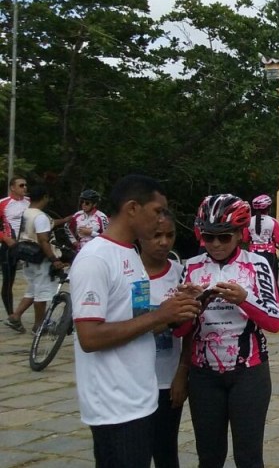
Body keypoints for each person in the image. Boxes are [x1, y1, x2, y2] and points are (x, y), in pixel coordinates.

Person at [69, 174, 201, 467]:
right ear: (132, 208)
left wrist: (175, 308)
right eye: (157, 211)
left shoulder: (129, 254)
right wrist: (160, 314)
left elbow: (141, 322)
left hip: (140, 396)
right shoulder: (96, 259)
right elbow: (89, 337)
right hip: (115, 406)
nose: (161, 220)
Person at [175, 194, 279, 468]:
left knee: (248, 457)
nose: (215, 245)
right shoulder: (190, 268)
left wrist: (244, 298)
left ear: (240, 234)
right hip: (203, 374)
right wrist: (194, 304)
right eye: (208, 237)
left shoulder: (257, 264)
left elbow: (275, 322)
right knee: (209, 457)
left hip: (249, 372)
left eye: (224, 237)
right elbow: (178, 331)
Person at [139, 212, 189, 468]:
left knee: (166, 449)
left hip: (167, 380)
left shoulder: (181, 274)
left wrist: (182, 373)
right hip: (132, 380)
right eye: (156, 235)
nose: (163, 242)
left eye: (169, 235)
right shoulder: (127, 273)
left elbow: (192, 330)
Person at [5, 185, 63, 333]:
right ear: (44, 197)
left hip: (27, 256)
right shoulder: (40, 216)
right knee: (41, 294)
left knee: (32, 290)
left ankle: (16, 316)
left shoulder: (27, 213)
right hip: (40, 259)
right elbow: (43, 240)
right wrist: (53, 259)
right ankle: (39, 326)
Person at [0, 176, 30, 319]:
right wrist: (5, 238)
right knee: (8, 280)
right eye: (21, 185)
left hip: (28, 245)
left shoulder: (30, 202)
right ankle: (11, 314)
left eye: (25, 185)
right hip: (9, 246)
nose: (24, 188)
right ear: (12, 187)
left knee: (36, 278)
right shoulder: (3, 203)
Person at [248, 194, 279, 281]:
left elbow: (245, 238)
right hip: (269, 253)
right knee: (272, 279)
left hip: (253, 253)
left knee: (254, 279)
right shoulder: (273, 221)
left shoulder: (249, 221)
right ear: (269, 208)